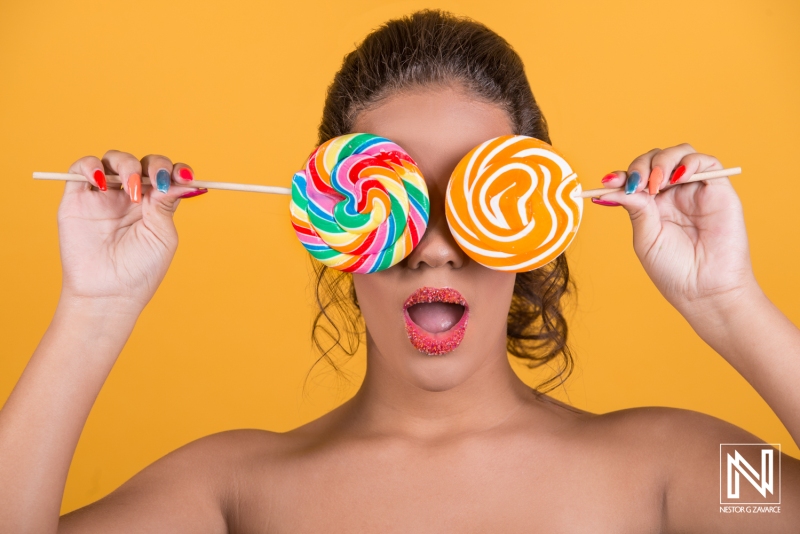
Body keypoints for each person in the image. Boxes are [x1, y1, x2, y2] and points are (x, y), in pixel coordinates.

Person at [1, 9, 799, 533]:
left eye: (474, 198)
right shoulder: (232, 491)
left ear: (533, 225)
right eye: (393, 201)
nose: (434, 245)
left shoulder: (672, 467)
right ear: (331, 219)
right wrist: (94, 307)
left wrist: (727, 302)